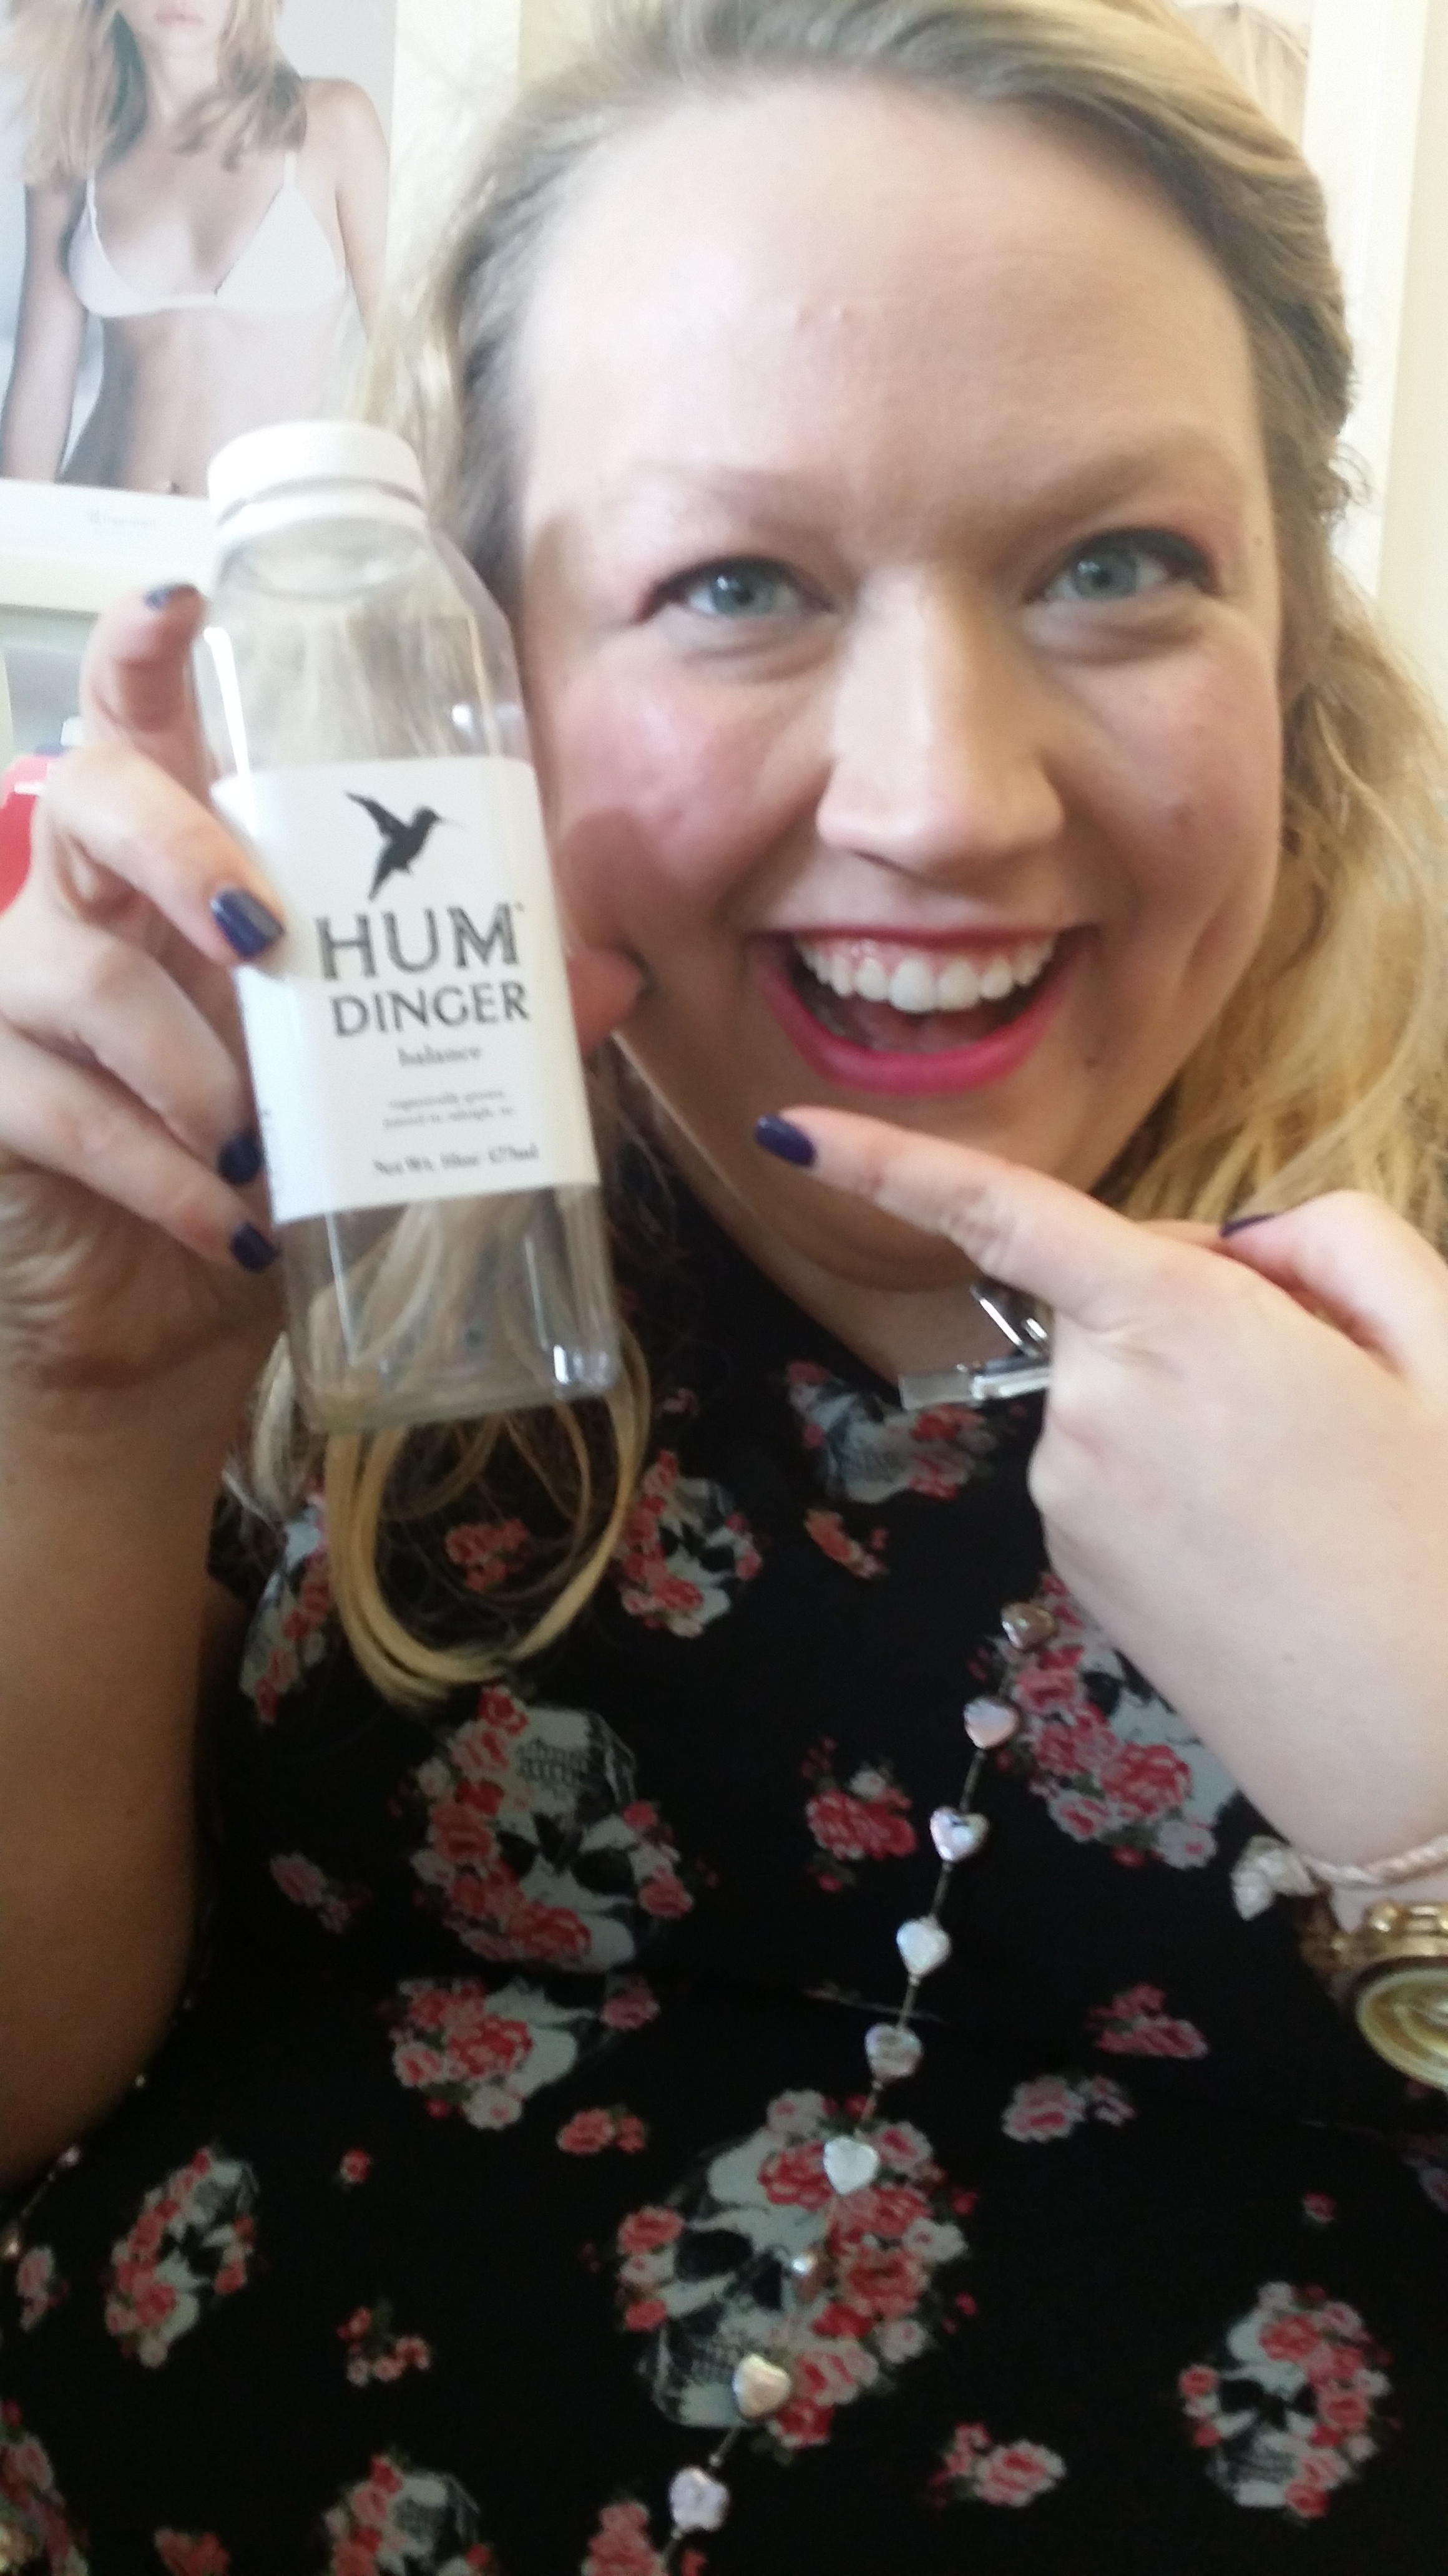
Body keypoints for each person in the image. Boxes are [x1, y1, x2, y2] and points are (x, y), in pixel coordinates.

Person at [2, 0, 1448, 2566]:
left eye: (1116, 566)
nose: (941, 802)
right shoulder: (288, 1226)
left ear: (1295, 642)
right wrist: (80, 1414)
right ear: (478, 674)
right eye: (734, 584)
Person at [0, 0, 389, 497]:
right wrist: (20, 536)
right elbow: (40, 387)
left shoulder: (333, 123)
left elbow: (407, 360)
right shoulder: (75, 152)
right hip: (104, 517)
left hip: (269, 530)